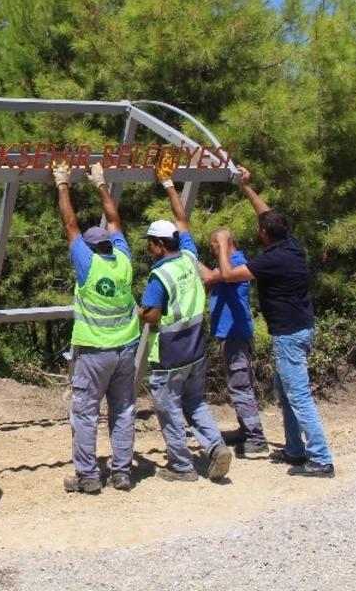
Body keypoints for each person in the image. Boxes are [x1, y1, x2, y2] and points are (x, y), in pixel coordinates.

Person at [212, 166, 334, 478]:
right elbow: (266, 214)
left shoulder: (272, 259)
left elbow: (227, 274)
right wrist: (245, 187)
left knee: (299, 396)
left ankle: (321, 459)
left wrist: (223, 243)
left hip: (289, 335)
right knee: (285, 391)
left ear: (265, 234)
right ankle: (295, 449)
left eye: (260, 228)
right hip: (301, 328)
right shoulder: (292, 245)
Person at [138, 165, 233, 483]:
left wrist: (139, 313)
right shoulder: (189, 257)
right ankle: (216, 447)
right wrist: (168, 183)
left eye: (150, 243)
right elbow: (182, 221)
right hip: (196, 349)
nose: (148, 248)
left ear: (159, 244)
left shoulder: (159, 275)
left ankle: (181, 466)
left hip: (170, 355)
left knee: (168, 409)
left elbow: (152, 316)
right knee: (195, 402)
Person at [52, 160, 140, 494]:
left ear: (89, 249)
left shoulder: (87, 263)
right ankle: (122, 473)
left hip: (94, 352)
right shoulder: (124, 259)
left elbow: (69, 224)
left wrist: (62, 184)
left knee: (86, 414)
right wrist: (100, 183)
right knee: (123, 410)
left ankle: (88, 476)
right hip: (126, 349)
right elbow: (114, 220)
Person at [205, 228, 268, 456]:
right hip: (230, 334)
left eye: (214, 244)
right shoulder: (226, 263)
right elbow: (210, 280)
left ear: (225, 242)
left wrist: (188, 255)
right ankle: (245, 429)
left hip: (236, 334)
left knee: (240, 385)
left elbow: (212, 276)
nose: (212, 249)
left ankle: (255, 437)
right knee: (237, 383)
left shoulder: (236, 263)